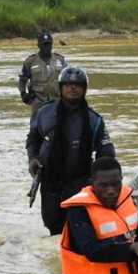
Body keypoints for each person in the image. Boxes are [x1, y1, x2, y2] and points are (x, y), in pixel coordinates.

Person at [26, 66, 115, 235]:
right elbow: (33, 139)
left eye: (77, 85)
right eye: (67, 84)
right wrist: (32, 159)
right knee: (53, 226)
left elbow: (106, 153)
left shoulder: (94, 120)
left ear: (84, 89)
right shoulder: (44, 113)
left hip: (80, 182)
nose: (72, 88)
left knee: (79, 228)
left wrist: (102, 181)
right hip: (50, 181)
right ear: (61, 88)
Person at [18, 29, 68, 117]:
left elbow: (67, 79)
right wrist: (23, 94)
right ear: (38, 45)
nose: (47, 47)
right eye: (44, 45)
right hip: (38, 102)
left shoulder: (60, 60)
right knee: (36, 125)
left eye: (49, 44)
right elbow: (22, 80)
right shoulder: (30, 61)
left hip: (57, 102)